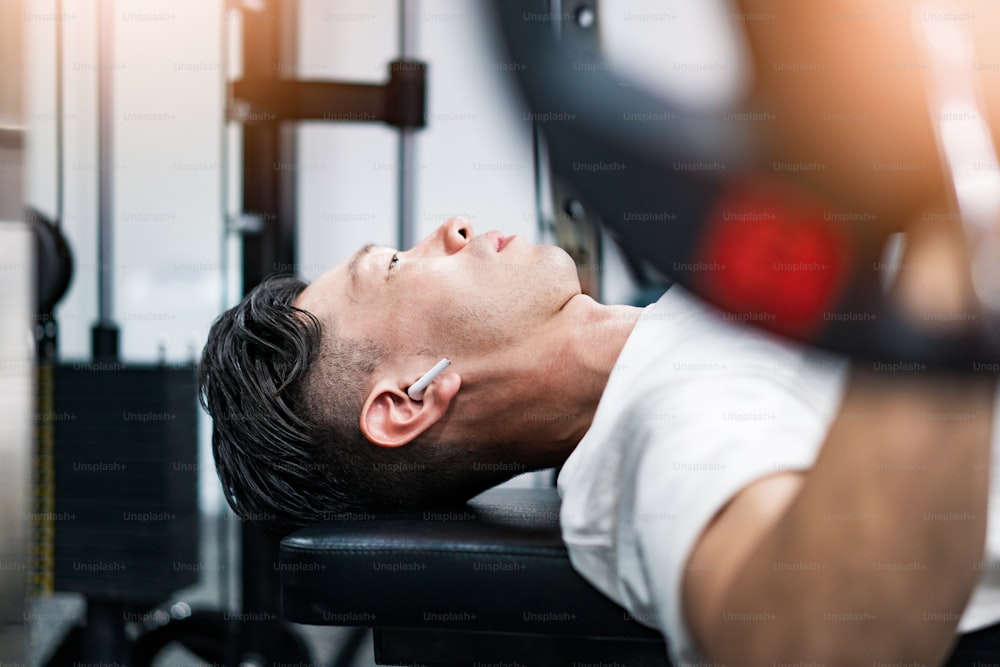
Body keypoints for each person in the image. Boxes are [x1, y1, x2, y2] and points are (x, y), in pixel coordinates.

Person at [200, 214, 1000, 666]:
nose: (452, 228)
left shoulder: (702, 313)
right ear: (409, 400)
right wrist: (951, 246)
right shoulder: (665, 426)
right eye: (398, 263)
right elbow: (817, 639)